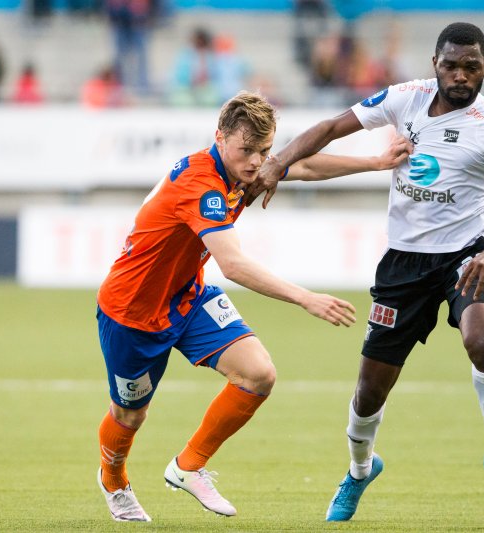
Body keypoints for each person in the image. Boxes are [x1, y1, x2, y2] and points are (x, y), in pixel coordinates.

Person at [252, 22, 484, 521]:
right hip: (403, 264)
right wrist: (278, 162)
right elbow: (330, 128)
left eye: (471, 67)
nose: (460, 75)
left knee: (482, 341)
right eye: (451, 65)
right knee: (370, 391)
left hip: (469, 256)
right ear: (435, 64)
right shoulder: (406, 98)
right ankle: (359, 470)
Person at [95, 90, 410, 522]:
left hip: (188, 296)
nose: (256, 162)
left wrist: (375, 162)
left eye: (264, 150)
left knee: (259, 374)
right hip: (132, 312)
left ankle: (189, 466)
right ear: (220, 138)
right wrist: (305, 297)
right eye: (246, 150)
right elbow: (233, 265)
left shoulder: (243, 168)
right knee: (130, 415)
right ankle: (114, 481)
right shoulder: (200, 184)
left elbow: (303, 166)